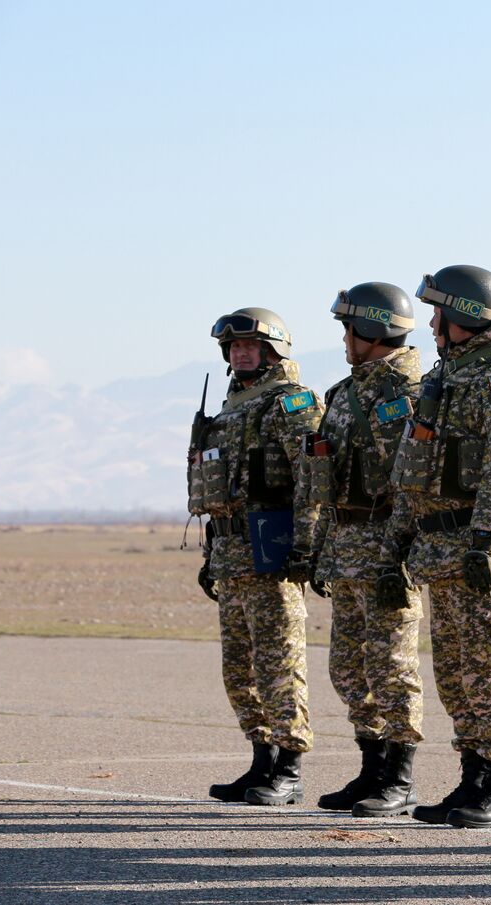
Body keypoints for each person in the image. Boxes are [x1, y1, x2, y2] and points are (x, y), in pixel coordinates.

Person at [386, 265, 491, 829]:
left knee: (490, 668)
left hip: (487, 549)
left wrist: (486, 535)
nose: (431, 322)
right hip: (440, 547)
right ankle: (472, 775)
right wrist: (398, 542)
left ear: (463, 316)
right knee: (455, 672)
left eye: (439, 312)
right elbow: (416, 469)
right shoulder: (446, 377)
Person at [189, 307, 321, 806]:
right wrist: (211, 553)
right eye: (235, 348)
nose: (241, 354)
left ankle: (288, 768)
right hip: (230, 553)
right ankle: (260, 759)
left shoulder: (292, 403)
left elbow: (312, 479)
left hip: (271, 553)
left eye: (251, 347)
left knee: (278, 663)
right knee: (240, 669)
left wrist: (305, 547)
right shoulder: (231, 408)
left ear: (273, 352)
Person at [309, 282, 427, 818]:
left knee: (391, 665)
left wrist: (400, 551)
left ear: (373, 330)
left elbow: (412, 478)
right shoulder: (341, 393)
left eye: (348, 328)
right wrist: (318, 547)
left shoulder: (415, 391)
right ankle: (371, 767)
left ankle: (399, 778)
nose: (343, 338)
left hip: (386, 546)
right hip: (345, 545)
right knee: (348, 668)